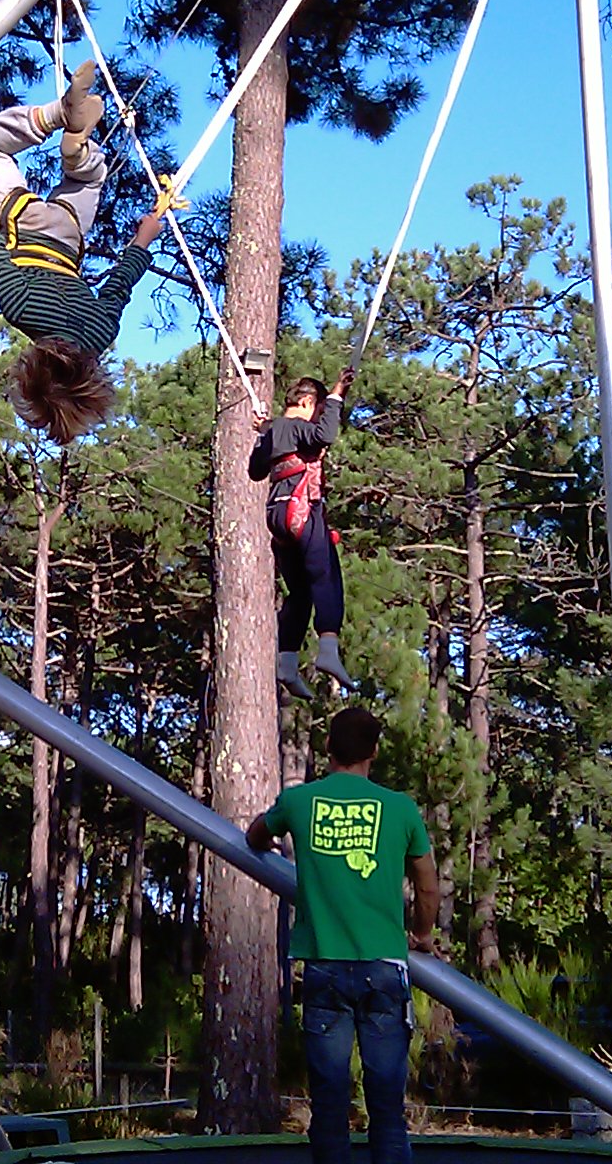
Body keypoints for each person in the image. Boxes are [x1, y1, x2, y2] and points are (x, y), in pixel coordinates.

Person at [0, 61, 166, 441]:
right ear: (33, 371)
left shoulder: (100, 333)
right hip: (19, 224)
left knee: (91, 176)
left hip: (69, 233)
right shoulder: (21, 309)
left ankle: (78, 154)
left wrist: (144, 238)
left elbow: (119, 285)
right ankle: (57, 115)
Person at [247, 706, 438, 1164]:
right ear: (375, 750)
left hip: (325, 968)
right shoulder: (399, 807)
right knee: (387, 1111)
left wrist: (268, 841)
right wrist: (423, 934)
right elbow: (428, 886)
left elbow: (255, 834)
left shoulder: (299, 802)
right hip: (384, 968)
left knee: (329, 1109)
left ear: (328, 747)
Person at [251, 368, 355, 697]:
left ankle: (287, 661)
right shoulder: (298, 428)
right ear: (309, 402)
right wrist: (337, 395)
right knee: (327, 577)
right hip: (301, 511)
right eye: (319, 411)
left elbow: (255, 470)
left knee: (300, 593)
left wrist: (263, 435)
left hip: (277, 517)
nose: (318, 419)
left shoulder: (275, 432)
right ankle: (327, 648)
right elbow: (324, 435)